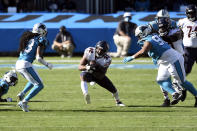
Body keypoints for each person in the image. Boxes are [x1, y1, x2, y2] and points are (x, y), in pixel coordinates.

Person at [123, 25, 197, 107]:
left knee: (182, 82)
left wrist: (132, 57)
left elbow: (143, 51)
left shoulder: (149, 40)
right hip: (163, 61)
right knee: (161, 80)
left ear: (143, 33)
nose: (138, 38)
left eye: (139, 36)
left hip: (174, 60)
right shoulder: (153, 35)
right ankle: (175, 94)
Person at [148, 9, 186, 107]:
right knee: (162, 78)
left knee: (175, 76)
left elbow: (178, 39)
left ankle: (180, 90)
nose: (162, 21)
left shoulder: (174, 25)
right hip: (160, 55)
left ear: (168, 19)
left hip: (173, 53)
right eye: (161, 19)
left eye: (165, 19)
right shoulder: (152, 25)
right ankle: (167, 98)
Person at [16, 23, 53, 112]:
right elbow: (38, 58)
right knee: (39, 85)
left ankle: (22, 94)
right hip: (26, 64)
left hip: (18, 63)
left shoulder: (28, 38)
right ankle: (24, 102)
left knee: (33, 81)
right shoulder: (40, 39)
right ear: (42, 31)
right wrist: (48, 65)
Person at [78, 40, 125, 106]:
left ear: (105, 51)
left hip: (98, 75)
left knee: (113, 89)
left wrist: (97, 66)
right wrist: (87, 67)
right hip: (88, 73)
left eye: (102, 50)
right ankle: (85, 94)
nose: (100, 51)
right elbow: (80, 67)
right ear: (96, 47)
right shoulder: (89, 51)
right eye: (99, 49)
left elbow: (102, 74)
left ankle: (118, 101)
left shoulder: (107, 59)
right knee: (83, 75)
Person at [177, 4, 197, 76]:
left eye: (193, 13)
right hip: (188, 49)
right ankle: (178, 83)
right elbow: (178, 33)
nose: (191, 15)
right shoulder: (182, 22)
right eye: (189, 13)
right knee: (186, 69)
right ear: (186, 13)